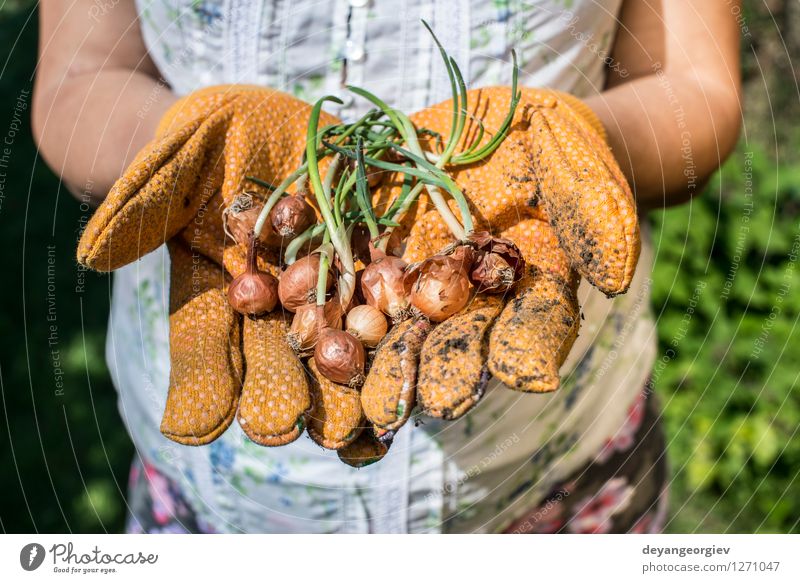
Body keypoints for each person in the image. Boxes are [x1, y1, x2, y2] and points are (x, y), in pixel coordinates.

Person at [32, 0, 741, 534]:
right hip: (224, 502)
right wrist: (192, 156)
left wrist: (564, 150)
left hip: (556, 471)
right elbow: (81, 78)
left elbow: (695, 86)